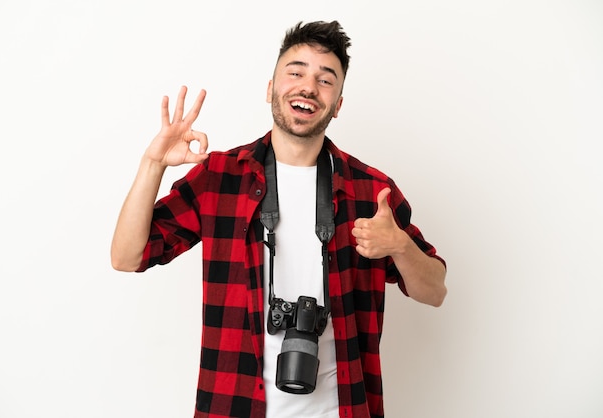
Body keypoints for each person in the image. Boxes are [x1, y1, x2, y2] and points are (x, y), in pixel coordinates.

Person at [111, 20, 447, 418]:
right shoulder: (220, 177)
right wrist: (153, 163)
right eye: (295, 72)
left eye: (325, 80)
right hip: (234, 406)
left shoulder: (371, 192)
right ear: (271, 88)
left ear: (338, 105)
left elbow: (435, 291)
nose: (308, 87)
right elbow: (127, 257)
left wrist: (399, 245)